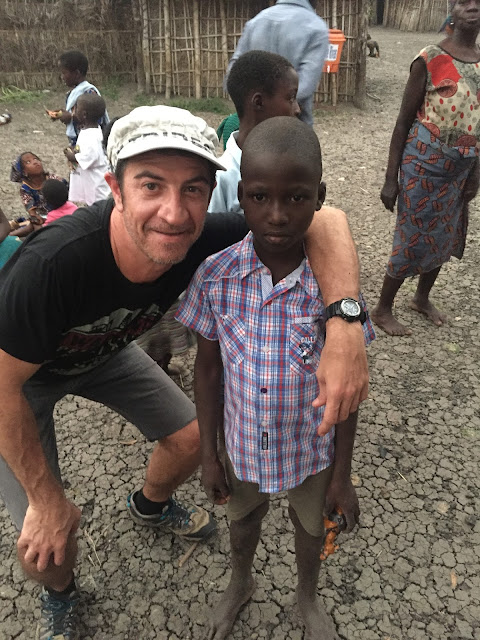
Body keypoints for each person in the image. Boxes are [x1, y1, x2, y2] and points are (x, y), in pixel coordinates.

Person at [0, 105, 368, 638]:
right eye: (151, 185)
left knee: (193, 437)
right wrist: (45, 497)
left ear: (212, 194)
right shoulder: (50, 267)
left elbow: (327, 219)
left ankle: (149, 505)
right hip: (19, 380)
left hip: (103, 352)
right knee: (45, 541)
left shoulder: (215, 235)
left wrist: (345, 323)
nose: (173, 213)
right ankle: (60, 594)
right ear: (114, 189)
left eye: (192, 188)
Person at [177, 117, 374, 640]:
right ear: (241, 197)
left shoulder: (335, 293)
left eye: (297, 197)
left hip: (311, 450)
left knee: (310, 527)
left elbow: (347, 391)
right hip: (242, 446)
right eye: (261, 197)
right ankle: (240, 581)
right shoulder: (216, 276)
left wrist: (342, 473)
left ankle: (306, 594)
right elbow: (207, 369)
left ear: (319, 198)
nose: (279, 214)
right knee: (242, 521)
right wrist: (209, 454)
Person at [372, 0, 480, 336]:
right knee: (412, 236)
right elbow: (402, 123)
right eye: (464, 2)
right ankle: (383, 308)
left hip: (461, 169)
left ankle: (421, 298)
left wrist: (476, 174)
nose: (472, 7)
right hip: (423, 167)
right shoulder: (429, 58)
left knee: (446, 234)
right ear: (452, 11)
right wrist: (391, 179)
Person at [209, 50, 300, 214]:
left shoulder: (292, 164)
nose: (297, 109)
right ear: (258, 102)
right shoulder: (222, 179)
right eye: (291, 98)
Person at [226, 0, 328, 127]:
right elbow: (306, 84)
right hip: (293, 125)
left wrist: (256, 105)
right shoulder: (316, 28)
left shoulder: (256, 22)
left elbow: (233, 72)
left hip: (252, 123)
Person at [48, 50, 109, 146]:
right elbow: (75, 112)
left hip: (91, 143)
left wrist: (70, 117)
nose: (62, 77)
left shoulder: (89, 93)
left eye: (64, 73)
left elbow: (96, 119)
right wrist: (61, 114)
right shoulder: (72, 93)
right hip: (78, 142)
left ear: (77, 73)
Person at [64, 93, 111, 205]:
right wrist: (76, 149)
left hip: (96, 182)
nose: (74, 111)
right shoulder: (88, 130)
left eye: (76, 108)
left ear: (84, 114)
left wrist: (73, 156)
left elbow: (91, 156)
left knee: (98, 206)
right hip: (91, 179)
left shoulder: (91, 135)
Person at [9, 152, 66, 235]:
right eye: (28, 162)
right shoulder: (25, 188)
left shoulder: (53, 179)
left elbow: (67, 193)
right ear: (24, 172)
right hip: (43, 217)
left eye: (35, 159)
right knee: (34, 226)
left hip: (61, 210)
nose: (35, 162)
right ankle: (9, 236)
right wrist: (36, 219)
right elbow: (32, 211)